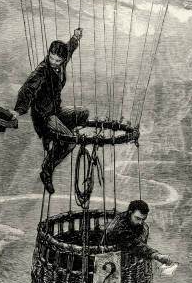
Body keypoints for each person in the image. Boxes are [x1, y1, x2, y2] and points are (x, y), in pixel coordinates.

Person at [10, 28, 89, 194]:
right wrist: (18, 111)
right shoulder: (41, 71)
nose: (53, 62)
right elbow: (27, 91)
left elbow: (69, 48)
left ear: (63, 59)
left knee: (83, 113)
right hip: (44, 117)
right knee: (70, 141)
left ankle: (59, 135)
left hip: (55, 110)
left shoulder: (62, 62)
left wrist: (75, 38)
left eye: (57, 60)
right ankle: (47, 168)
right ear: (49, 54)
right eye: (51, 58)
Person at [104, 199, 174, 266]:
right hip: (110, 259)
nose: (140, 222)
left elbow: (141, 245)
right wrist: (156, 255)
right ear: (130, 213)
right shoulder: (119, 224)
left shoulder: (143, 227)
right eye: (137, 218)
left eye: (143, 219)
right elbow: (133, 243)